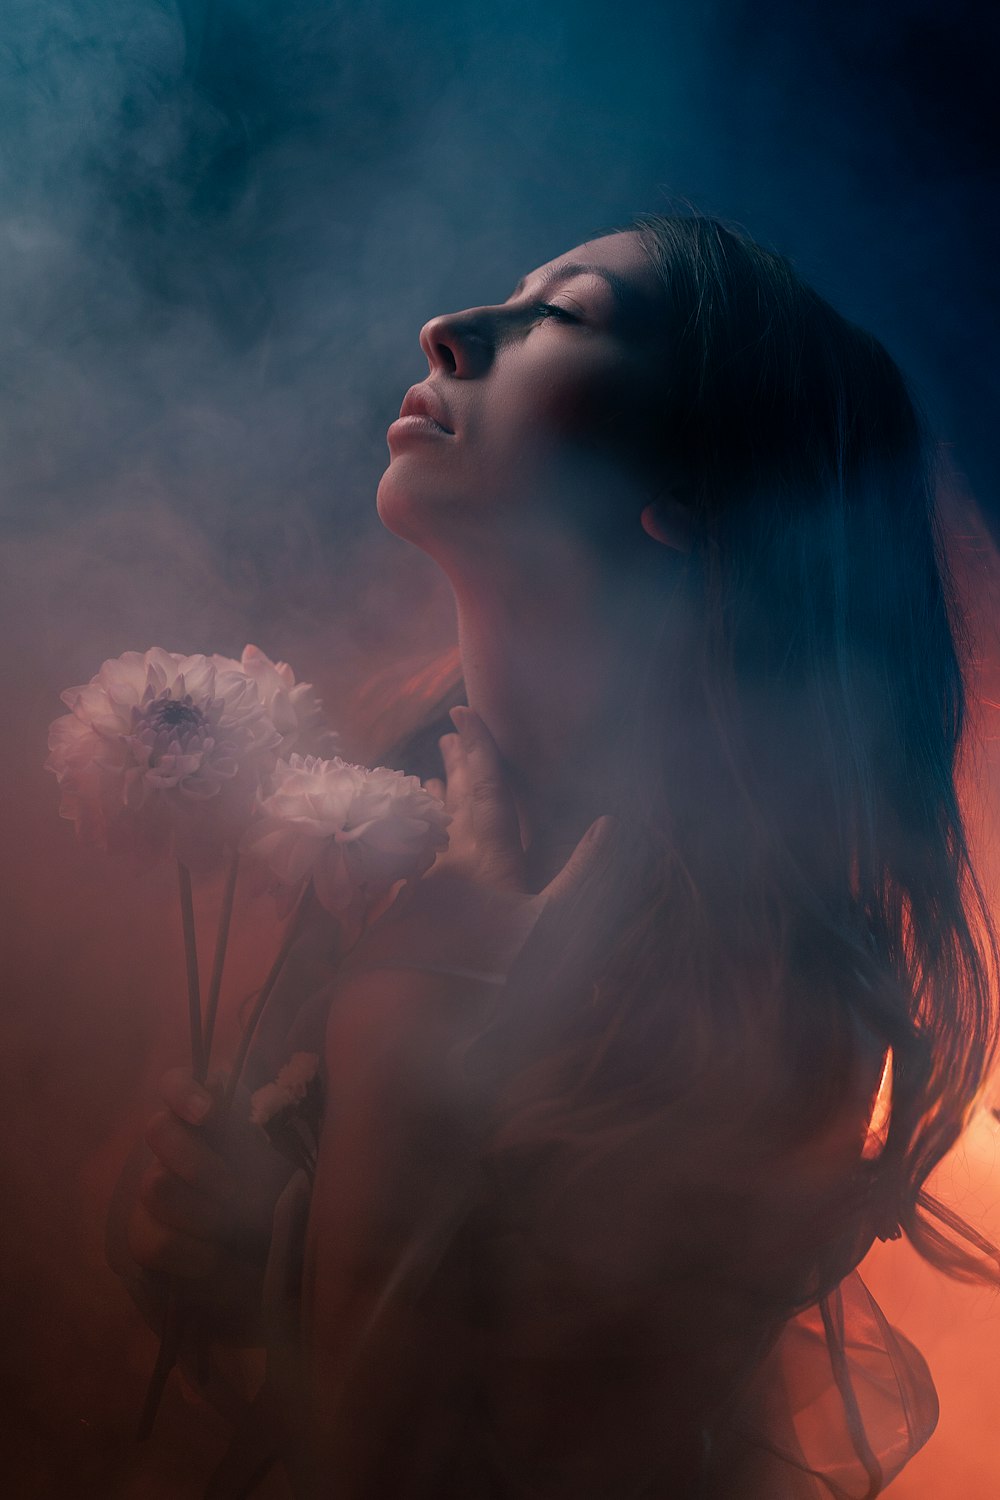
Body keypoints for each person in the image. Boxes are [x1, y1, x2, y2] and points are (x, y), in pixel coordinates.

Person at [121, 214, 999, 1497]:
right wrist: (248, 1235)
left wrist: (412, 1020)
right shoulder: (412, 808)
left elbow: (407, 1460)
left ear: (696, 494)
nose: (451, 329)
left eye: (565, 315)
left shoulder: (767, 996)